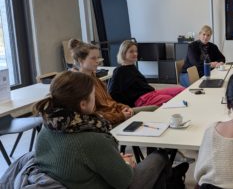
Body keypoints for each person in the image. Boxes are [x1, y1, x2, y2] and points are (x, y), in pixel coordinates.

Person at [33, 71, 173, 188]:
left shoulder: (46, 130)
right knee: (159, 157)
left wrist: (114, 160)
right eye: (93, 95)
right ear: (83, 104)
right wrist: (126, 164)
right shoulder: (93, 139)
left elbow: (82, 162)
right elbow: (124, 182)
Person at [69, 38, 133, 125]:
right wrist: (121, 116)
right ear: (81, 61)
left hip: (117, 115)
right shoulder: (80, 85)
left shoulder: (96, 79)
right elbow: (93, 117)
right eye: (93, 58)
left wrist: (124, 107)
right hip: (109, 123)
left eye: (98, 58)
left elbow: (110, 102)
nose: (97, 62)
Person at [108, 40, 185, 107]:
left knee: (181, 90)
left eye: (136, 51)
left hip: (151, 93)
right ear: (123, 53)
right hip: (141, 100)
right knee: (169, 99)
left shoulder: (132, 67)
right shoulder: (119, 71)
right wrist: (129, 105)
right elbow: (112, 93)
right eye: (131, 51)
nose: (135, 54)